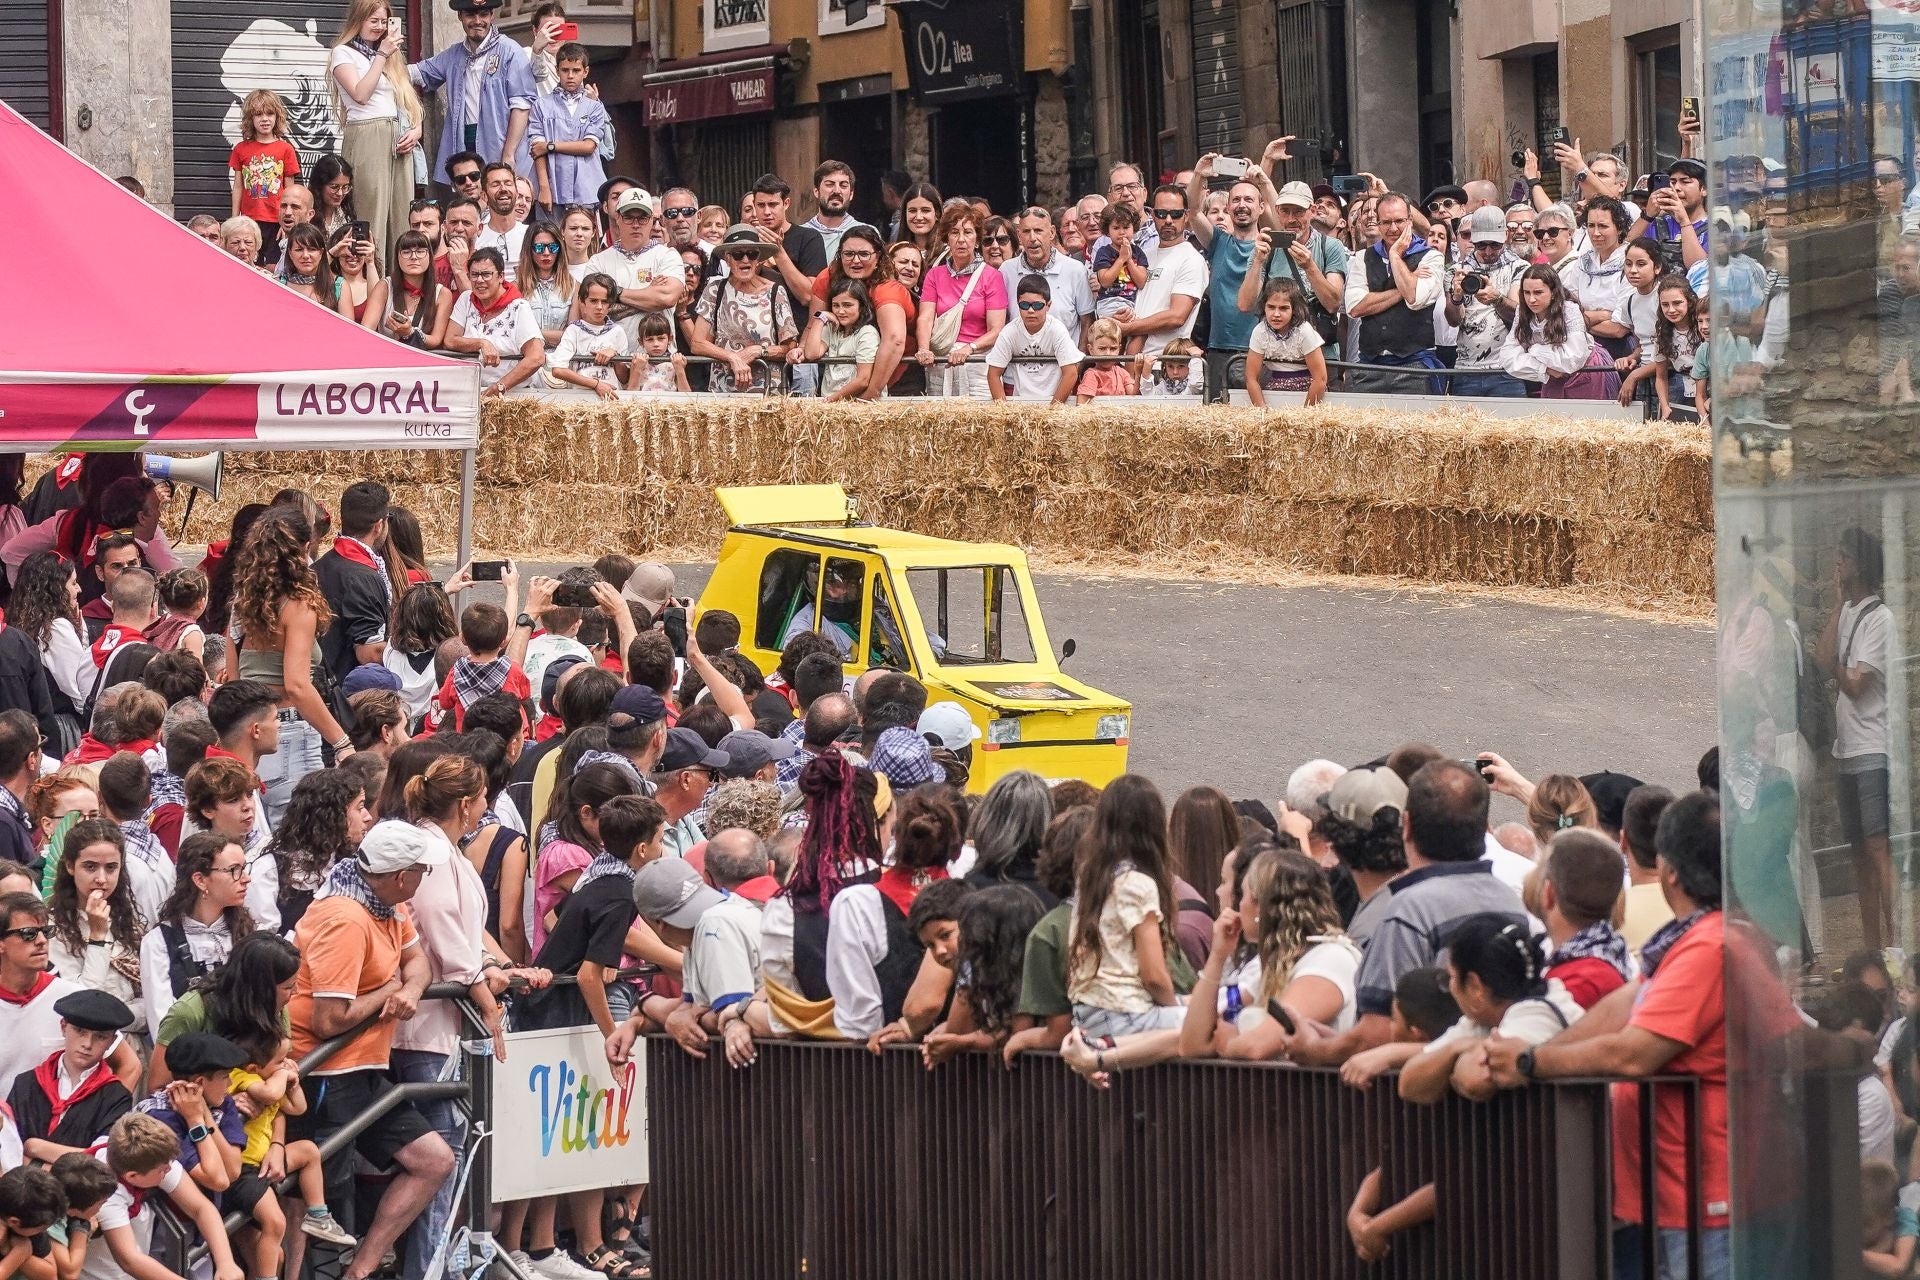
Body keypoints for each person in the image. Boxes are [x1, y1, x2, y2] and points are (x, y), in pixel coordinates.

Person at [1483, 792, 1751, 1280]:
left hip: (1707, 1197)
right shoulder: (1692, 940)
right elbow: (1625, 1005)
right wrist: (1537, 1049)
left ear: (1668, 869)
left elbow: (1634, 1053)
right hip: (1677, 1194)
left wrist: (1531, 1063)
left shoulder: (1711, 945)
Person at [287, 821, 453, 1280]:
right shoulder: (346, 917)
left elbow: (416, 962)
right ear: (401, 876)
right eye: (422, 870)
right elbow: (328, 1021)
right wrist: (390, 991)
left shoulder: (386, 903)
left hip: (360, 1069)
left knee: (433, 1159)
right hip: (321, 1073)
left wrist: (409, 988)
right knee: (311, 1192)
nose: (424, 878)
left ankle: (358, 1271)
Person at [1296, 760, 1525, 1064]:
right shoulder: (1513, 901)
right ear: (1483, 828)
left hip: (1423, 1098)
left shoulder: (1409, 909)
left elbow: (1376, 1034)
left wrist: (1313, 1049)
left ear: (1408, 827)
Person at [231, 505, 352, 823]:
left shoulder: (242, 604)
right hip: (290, 733)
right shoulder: (298, 607)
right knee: (298, 844)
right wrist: (341, 742)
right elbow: (297, 684)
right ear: (302, 548)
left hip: (247, 734)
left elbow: (233, 680)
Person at [1397, 914, 1583, 1104]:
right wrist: (1456, 1048)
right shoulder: (1481, 1019)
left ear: (1474, 986)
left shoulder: (1538, 1014)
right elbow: (1408, 1084)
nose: (1450, 988)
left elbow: (1476, 1078)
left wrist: (1459, 1055)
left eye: (1449, 978)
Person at [823, 787, 957, 1040]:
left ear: (896, 836)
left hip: (883, 1059)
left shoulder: (856, 904)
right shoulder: (972, 898)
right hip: (966, 1062)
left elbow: (859, 1019)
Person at [1817, 526, 1894, 952]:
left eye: (1844, 558)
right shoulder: (1846, 613)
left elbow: (1855, 685)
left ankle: (1896, 939)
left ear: (1861, 564)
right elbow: (1822, 656)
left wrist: (1837, 667)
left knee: (1878, 845)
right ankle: (1872, 947)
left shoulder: (1880, 619)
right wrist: (1834, 608)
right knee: (1859, 853)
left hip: (1871, 747)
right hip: (1847, 749)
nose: (1837, 564)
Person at [1066, 776, 1188, 1039]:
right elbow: (1154, 976)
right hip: (1124, 1013)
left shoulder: (1091, 878)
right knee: (1210, 1023)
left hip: (1088, 1013)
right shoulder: (1138, 884)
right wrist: (1174, 1005)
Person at [81, 1112, 245, 1280]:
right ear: (132, 1176)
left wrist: (226, 1263)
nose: (168, 1171)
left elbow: (201, 1208)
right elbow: (130, 1260)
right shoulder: (105, 1196)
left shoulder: (146, 1157)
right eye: (162, 1170)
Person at [328, 0, 423, 260]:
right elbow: (360, 94)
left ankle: (398, 286)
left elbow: (407, 101)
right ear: (358, 20)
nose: (380, 27)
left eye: (384, 22)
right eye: (374, 21)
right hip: (367, 133)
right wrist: (381, 55)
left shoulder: (389, 57)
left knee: (402, 217)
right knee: (372, 214)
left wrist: (416, 130)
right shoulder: (343, 52)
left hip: (397, 135)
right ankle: (371, 282)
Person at [139, 833, 255, 1042]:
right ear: (200, 880)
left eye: (244, 868)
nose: (246, 878)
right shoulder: (158, 942)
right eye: (234, 870)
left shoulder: (248, 934)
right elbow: (163, 1026)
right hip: (188, 1061)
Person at [411, 0, 535, 186]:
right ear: (460, 16)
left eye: (483, 14)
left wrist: (509, 154)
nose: (478, 20)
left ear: (492, 15)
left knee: (497, 197)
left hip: (499, 144)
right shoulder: (454, 54)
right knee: (469, 198)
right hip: (464, 141)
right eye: (470, 14)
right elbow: (416, 73)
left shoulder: (510, 51)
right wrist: (381, 59)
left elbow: (522, 106)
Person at [7, 989, 136, 1163]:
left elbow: (102, 1161)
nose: (87, 1044)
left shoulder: (116, 1096)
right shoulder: (26, 1083)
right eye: (80, 1031)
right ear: (63, 1027)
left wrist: (34, 1148)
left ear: (111, 1042)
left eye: (100, 1037)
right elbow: (9, 1149)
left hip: (82, 1190)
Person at [1343, 192, 1443, 392]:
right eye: (1386, 222)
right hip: (1370, 363)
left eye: (1399, 221)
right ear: (1378, 224)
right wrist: (1405, 285)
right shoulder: (1363, 257)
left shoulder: (1431, 257)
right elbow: (1355, 308)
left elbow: (1415, 299)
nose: (1393, 228)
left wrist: (1395, 256)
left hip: (1415, 364)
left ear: (1410, 220)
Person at [45, 821, 143, 1012]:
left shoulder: (130, 921)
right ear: (70, 866)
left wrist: (124, 1017)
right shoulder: (54, 928)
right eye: (90, 867)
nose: (101, 879)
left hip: (133, 1038)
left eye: (111, 867)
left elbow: (151, 1002)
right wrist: (97, 937)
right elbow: (81, 1002)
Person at [804, 225, 913, 396]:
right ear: (840, 255)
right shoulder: (827, 278)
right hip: (838, 384)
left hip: (896, 373)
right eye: (848, 254)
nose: (855, 261)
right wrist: (801, 347)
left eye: (864, 254)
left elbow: (894, 341)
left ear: (878, 257)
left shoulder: (888, 290)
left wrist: (870, 394)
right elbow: (812, 328)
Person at [915, 204, 1008, 398]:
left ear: (977, 239)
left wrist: (969, 348)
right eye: (954, 232)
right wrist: (923, 349)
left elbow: (996, 329)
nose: (961, 239)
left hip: (977, 363)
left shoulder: (991, 276)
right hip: (941, 360)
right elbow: (925, 317)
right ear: (947, 238)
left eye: (968, 232)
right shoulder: (934, 274)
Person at [689, 227, 797, 393]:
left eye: (752, 254)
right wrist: (732, 357)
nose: (745, 259)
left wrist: (757, 351)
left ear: (758, 259)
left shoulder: (776, 292)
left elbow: (790, 347)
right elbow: (697, 343)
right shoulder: (714, 290)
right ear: (728, 259)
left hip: (768, 393)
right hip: (724, 392)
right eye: (738, 254)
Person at [580, 188, 684, 348]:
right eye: (629, 217)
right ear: (618, 218)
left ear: (651, 220)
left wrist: (615, 292)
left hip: (657, 363)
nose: (635, 224)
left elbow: (666, 298)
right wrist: (649, 298)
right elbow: (590, 312)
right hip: (611, 361)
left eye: (642, 218)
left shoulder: (668, 256)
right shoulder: (598, 261)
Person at [1442, 206, 1528, 396]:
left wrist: (1496, 299)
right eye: (1481, 245)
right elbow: (1453, 320)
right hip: (1466, 368)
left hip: (1506, 368)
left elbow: (1520, 316)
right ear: (1472, 238)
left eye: (1495, 244)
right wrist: (1457, 297)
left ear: (1505, 235)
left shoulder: (1520, 268)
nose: (1488, 251)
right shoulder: (1455, 271)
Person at [10, 554, 93, 749]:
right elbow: (79, 688)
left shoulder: (22, 622)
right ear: (56, 588)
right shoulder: (55, 627)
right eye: (73, 583)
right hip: (61, 727)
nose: (79, 589)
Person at [528, 43, 612, 213]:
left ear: (585, 72)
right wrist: (544, 188)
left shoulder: (594, 107)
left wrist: (550, 146)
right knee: (550, 238)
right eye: (565, 70)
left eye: (576, 70)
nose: (570, 76)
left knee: (584, 237)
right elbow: (537, 150)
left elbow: (588, 146)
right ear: (557, 69)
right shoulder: (541, 105)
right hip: (553, 189)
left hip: (587, 190)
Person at [451, 248, 547, 396]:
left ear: (501, 276)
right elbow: (450, 340)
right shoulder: (466, 299)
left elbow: (536, 357)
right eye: (474, 275)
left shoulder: (518, 307)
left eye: (486, 274)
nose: (480, 280)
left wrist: (500, 387)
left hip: (514, 395)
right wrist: (481, 343)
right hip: (472, 390)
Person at [227, 89, 300, 267]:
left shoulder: (285, 149)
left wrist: (287, 222)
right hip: (250, 221)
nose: (264, 119)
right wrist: (234, 219)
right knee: (250, 264)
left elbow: (290, 190)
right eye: (258, 114)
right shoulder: (240, 149)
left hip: (276, 221)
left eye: (269, 113)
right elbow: (237, 187)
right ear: (250, 119)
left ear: (277, 116)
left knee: (274, 266)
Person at [1002, 205, 1093, 345]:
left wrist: (1077, 364)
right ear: (1019, 236)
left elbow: (1087, 322)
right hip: (1018, 364)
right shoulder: (1007, 270)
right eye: (1026, 232)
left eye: (1038, 231)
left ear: (1051, 232)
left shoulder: (1075, 270)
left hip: (1064, 364)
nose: (1032, 238)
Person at [1497, 265, 1595, 394]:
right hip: (1552, 378)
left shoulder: (1569, 309)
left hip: (1587, 375)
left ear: (1553, 293)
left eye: (1538, 292)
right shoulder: (1522, 312)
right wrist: (1543, 368)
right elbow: (1506, 357)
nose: (1531, 299)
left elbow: (1573, 359)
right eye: (1527, 292)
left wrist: (1534, 350)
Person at [986, 276, 1083, 403]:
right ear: (1017, 304)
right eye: (1024, 305)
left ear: (1048, 305)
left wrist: (1052, 411)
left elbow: (1071, 373)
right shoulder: (1009, 332)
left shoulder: (1057, 330)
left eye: (1037, 305)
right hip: (1020, 403)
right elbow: (993, 374)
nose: (1030, 310)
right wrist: (1004, 411)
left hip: (1053, 402)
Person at [1243, 277, 1328, 406]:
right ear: (1264, 307)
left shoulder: (1304, 331)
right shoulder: (1260, 331)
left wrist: (1306, 416)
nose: (1276, 314)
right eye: (1271, 307)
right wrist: (1261, 411)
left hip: (1307, 391)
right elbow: (1251, 378)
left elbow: (1320, 379)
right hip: (1274, 388)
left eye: (1283, 308)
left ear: (1294, 309)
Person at [549, 272, 631, 397]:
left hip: (612, 398)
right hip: (580, 399)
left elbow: (624, 378)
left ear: (611, 305)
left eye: (604, 302)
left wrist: (615, 357)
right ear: (582, 302)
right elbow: (558, 370)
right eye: (593, 301)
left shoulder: (617, 331)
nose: (599, 307)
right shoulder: (574, 330)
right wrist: (596, 384)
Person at [367, 230, 451, 348]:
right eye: (406, 252)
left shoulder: (442, 294)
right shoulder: (384, 287)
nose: (414, 257)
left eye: (420, 251)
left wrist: (410, 332)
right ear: (397, 257)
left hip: (422, 362)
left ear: (430, 256)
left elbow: (436, 340)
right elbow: (366, 330)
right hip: (386, 358)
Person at [803, 279, 880, 403]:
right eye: (836, 305)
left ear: (862, 306)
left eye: (847, 305)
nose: (840, 311)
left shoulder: (867, 333)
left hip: (855, 405)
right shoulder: (833, 329)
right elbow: (811, 354)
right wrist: (820, 318)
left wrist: (829, 400)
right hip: (831, 403)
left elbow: (863, 380)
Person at [516, 221, 575, 344]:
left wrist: (532, 333)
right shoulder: (516, 287)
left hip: (560, 358)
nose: (547, 253)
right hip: (528, 357)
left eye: (553, 247)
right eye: (539, 248)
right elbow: (513, 332)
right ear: (529, 250)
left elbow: (574, 335)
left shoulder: (573, 286)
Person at [803, 161, 856, 261]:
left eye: (843, 185)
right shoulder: (800, 234)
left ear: (851, 194)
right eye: (829, 184)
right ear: (816, 191)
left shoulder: (866, 232)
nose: (836, 190)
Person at [898, 182, 942, 259]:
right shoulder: (894, 254)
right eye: (912, 210)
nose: (918, 217)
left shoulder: (949, 255)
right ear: (905, 214)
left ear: (937, 214)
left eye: (925, 210)